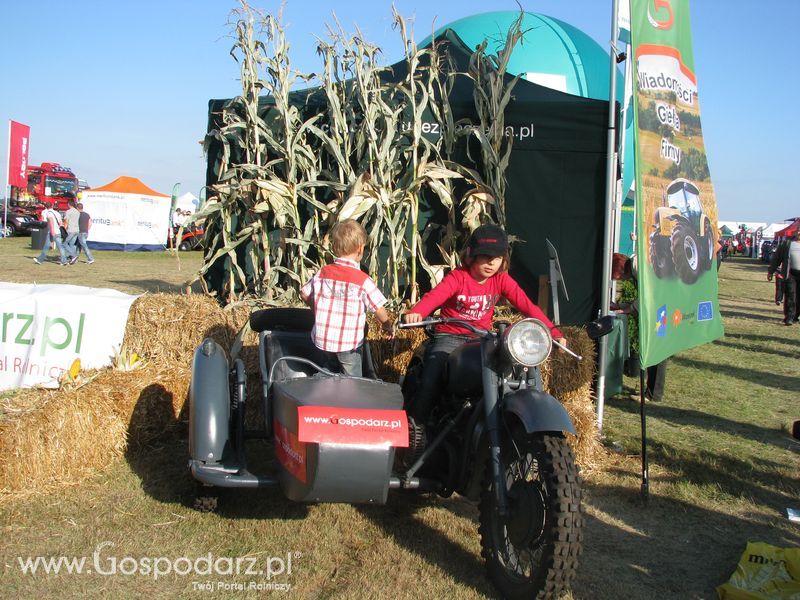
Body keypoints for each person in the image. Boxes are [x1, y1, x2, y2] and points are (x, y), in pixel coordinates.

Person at [403, 223, 566, 425]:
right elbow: (435, 296)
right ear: (471, 254)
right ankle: (415, 428)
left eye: (496, 258)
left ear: (503, 259)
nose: (490, 263)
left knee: (511, 373)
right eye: (484, 256)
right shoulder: (458, 277)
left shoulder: (501, 280)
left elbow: (526, 305)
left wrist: (552, 332)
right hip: (450, 336)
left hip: (481, 339)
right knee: (430, 380)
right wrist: (417, 312)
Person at [300, 219, 394, 377]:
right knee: (352, 379)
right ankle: (349, 400)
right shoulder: (362, 280)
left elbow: (304, 292)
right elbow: (378, 308)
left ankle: (320, 390)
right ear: (360, 249)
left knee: (329, 368)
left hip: (323, 340)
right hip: (348, 344)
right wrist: (387, 324)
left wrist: (315, 308)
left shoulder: (323, 272)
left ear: (334, 247)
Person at [610, 252, 666, 401]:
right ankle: (651, 390)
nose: (620, 280)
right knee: (655, 350)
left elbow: (649, 292)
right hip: (660, 309)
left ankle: (652, 394)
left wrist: (628, 309)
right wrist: (620, 306)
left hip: (661, 310)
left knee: (657, 351)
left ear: (619, 269)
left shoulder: (638, 266)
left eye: (617, 277)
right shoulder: (636, 266)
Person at [768, 229, 800, 325]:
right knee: (791, 295)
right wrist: (771, 271)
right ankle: (789, 317)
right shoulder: (787, 244)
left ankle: (796, 316)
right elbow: (777, 258)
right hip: (790, 273)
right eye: (799, 232)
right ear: (795, 233)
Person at [62, 200, 81, 264]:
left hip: (71, 230)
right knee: (72, 244)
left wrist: (64, 229)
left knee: (64, 243)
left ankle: (74, 256)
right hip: (77, 230)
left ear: (69, 204)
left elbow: (66, 221)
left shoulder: (68, 211)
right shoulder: (77, 212)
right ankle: (74, 259)